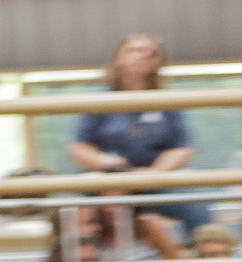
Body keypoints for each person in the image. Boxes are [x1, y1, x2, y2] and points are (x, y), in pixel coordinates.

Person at [66, 34, 199, 231]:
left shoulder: (168, 101)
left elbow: (182, 148)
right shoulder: (99, 100)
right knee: (71, 212)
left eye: (151, 53)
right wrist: (108, 165)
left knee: (195, 204)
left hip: (155, 185)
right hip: (107, 185)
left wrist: (155, 174)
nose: (142, 55)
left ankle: (205, 256)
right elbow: (79, 147)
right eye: (134, 50)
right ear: (119, 59)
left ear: (157, 64)